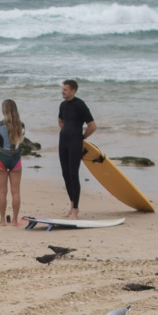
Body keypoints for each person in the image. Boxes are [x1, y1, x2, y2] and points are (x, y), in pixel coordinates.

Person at [56, 78, 95, 214]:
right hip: (63, 143)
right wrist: (65, 130)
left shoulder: (80, 105)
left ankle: (76, 210)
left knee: (73, 174)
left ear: (73, 91)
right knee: (65, 174)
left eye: (65, 90)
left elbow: (92, 126)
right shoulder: (62, 105)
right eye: (62, 89)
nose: (63, 92)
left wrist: (82, 137)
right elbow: (60, 120)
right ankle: (72, 205)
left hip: (75, 144)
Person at [0, 99, 25, 226]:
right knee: (16, 192)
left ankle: (2, 220)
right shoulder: (21, 125)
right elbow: (21, 139)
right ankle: (15, 220)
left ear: (4, 110)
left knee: (2, 191)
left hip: (2, 157)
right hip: (15, 157)